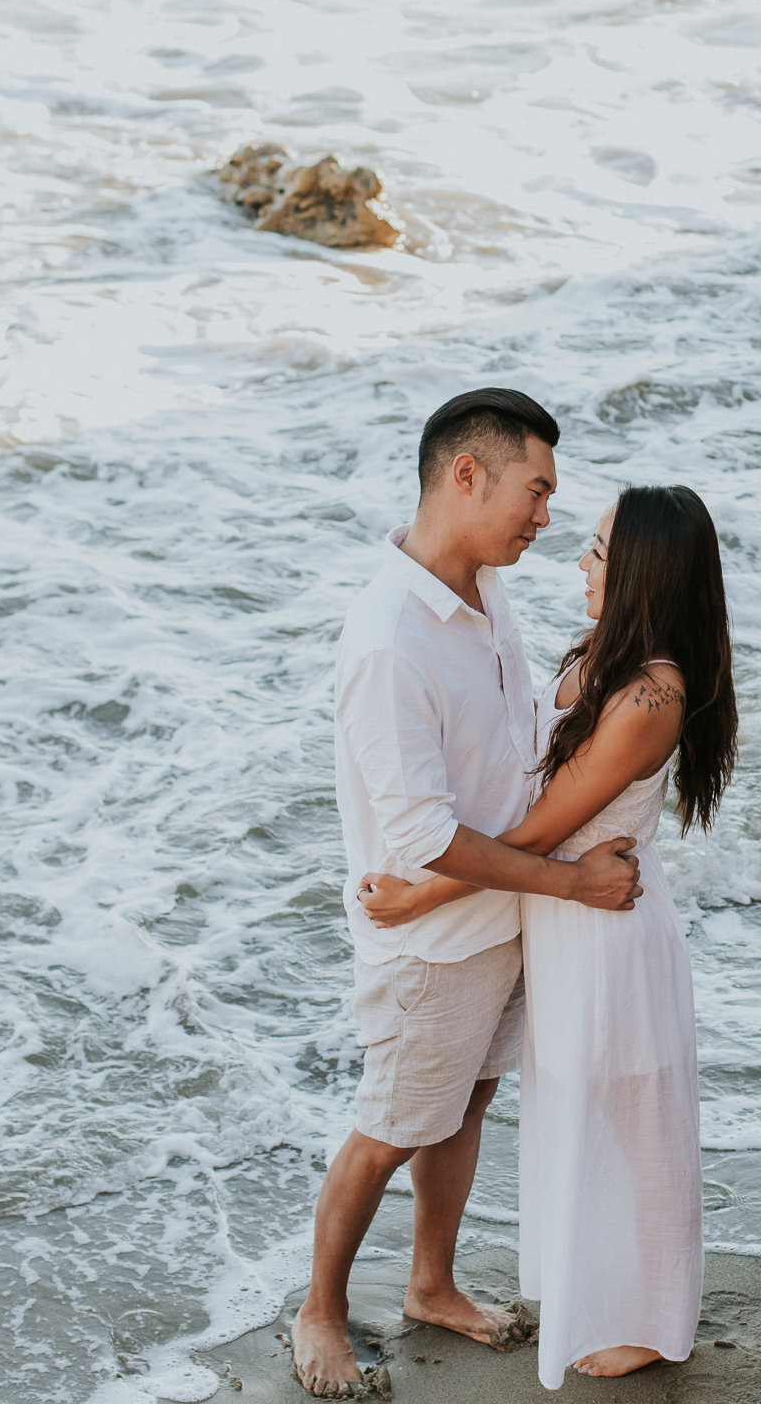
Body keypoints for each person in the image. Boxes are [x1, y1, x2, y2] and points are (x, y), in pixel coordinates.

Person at [293, 388, 647, 1401]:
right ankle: (318, 1309)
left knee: (466, 1101)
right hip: (435, 941)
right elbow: (423, 837)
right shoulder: (389, 640)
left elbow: (517, 734)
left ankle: (430, 1281)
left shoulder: (487, 590)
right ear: (467, 475)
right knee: (393, 1121)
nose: (545, 517)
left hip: (502, 916)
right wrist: (571, 880)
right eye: (535, 491)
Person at [362, 484, 736, 1386]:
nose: (580, 561)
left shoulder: (652, 692)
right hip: (564, 924)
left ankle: (643, 1316)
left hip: (608, 938)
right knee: (577, 1118)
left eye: (600, 552)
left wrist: (421, 896)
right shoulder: (603, 658)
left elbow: (540, 827)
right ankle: (597, 1292)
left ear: (643, 569)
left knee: (626, 1124)